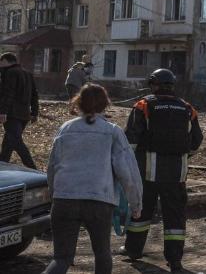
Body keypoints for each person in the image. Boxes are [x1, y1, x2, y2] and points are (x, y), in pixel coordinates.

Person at [44, 83, 143, 274]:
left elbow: (52, 167)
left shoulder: (65, 129)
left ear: (78, 103)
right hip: (99, 201)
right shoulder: (112, 132)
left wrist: (54, 194)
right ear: (105, 104)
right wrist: (136, 204)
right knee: (102, 254)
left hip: (64, 200)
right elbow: (128, 173)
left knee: (61, 258)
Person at [121, 68, 203, 273]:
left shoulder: (143, 105)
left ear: (153, 85)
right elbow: (196, 140)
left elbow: (130, 140)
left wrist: (126, 167)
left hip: (147, 173)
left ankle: (133, 250)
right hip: (177, 175)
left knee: (141, 211)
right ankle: (175, 260)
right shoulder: (187, 108)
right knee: (175, 216)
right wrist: (184, 156)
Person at [0, 52, 39, 169]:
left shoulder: (10, 73)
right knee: (8, 143)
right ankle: (2, 166)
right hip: (24, 115)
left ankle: (33, 169)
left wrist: (3, 112)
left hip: (12, 114)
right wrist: (34, 113)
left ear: (5, 61)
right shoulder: (27, 73)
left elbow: (8, 93)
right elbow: (34, 95)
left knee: (16, 142)